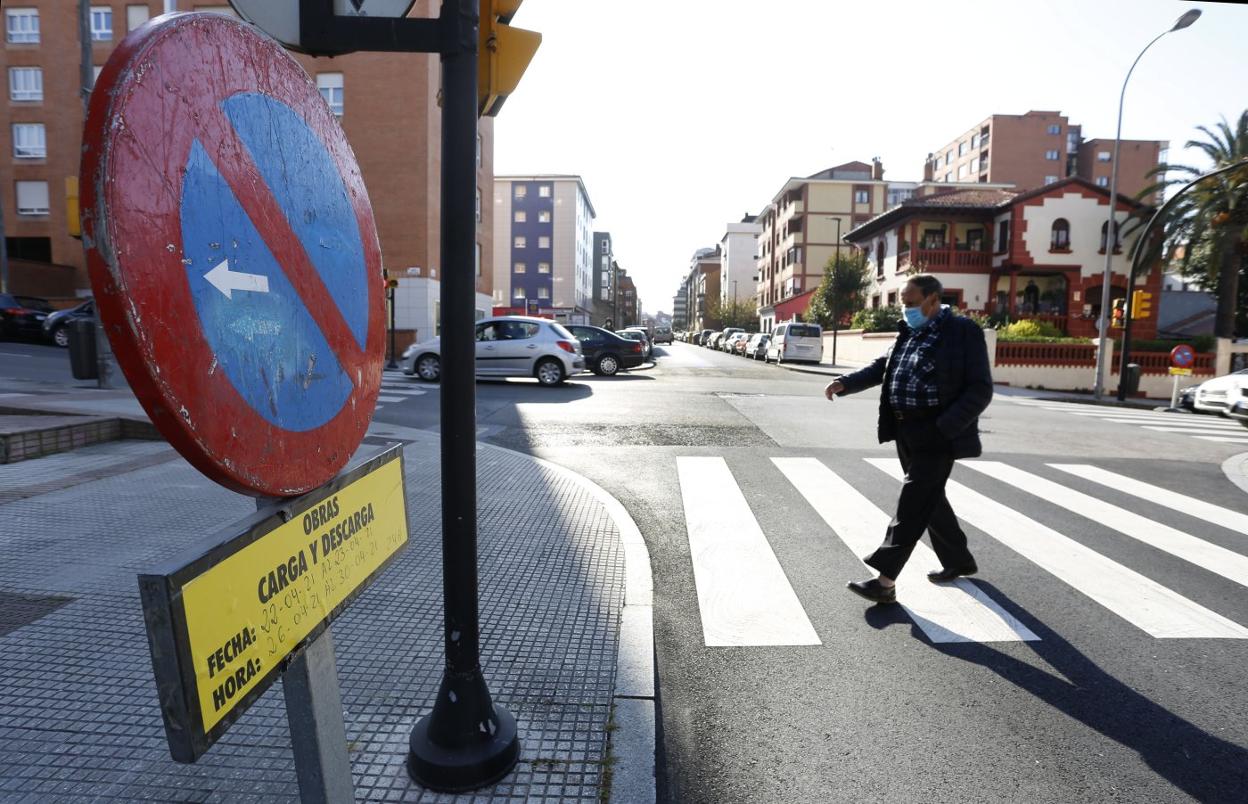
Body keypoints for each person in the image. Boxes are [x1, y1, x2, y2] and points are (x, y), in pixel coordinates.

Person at [824, 275, 993, 604]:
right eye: (902, 302)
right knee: (930, 499)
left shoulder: (962, 332)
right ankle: (958, 559)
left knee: (913, 504)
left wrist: (945, 427)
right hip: (906, 430)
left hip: (938, 432)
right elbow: (882, 368)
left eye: (911, 303)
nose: (905, 309)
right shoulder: (909, 331)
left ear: (933, 300)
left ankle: (885, 582)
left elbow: (980, 389)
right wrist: (845, 382)